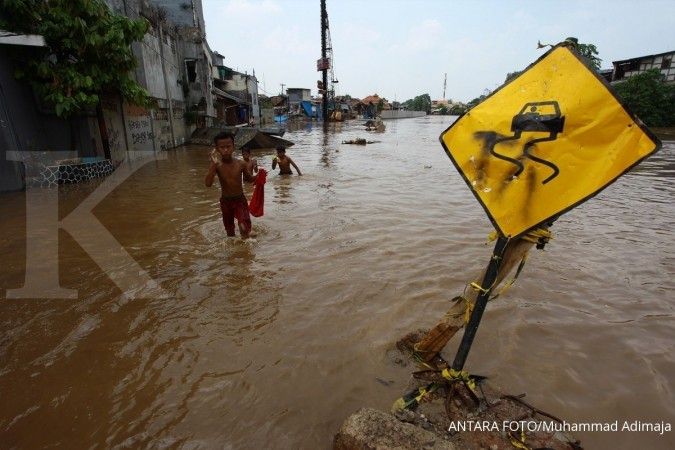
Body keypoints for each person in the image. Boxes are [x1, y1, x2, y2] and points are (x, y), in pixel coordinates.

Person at [205, 132, 256, 239]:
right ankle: (235, 252)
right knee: (230, 232)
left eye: (228, 146)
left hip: (240, 201)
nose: (226, 150)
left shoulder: (241, 164)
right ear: (217, 149)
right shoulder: (217, 165)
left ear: (234, 147)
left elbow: (250, 179)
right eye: (222, 147)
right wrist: (212, 166)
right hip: (225, 202)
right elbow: (208, 184)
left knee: (243, 226)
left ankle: (246, 250)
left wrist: (260, 176)